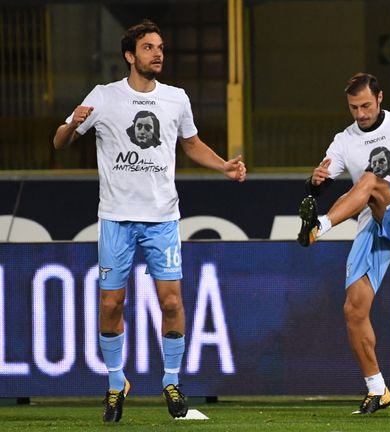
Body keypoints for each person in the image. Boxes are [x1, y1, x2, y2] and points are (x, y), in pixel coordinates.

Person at [52, 20, 247, 422]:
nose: (157, 53)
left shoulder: (176, 98)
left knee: (171, 302)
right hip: (116, 219)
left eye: (160, 47)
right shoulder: (104, 96)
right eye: (148, 47)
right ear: (130, 55)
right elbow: (60, 142)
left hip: (162, 219)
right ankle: (115, 383)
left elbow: (191, 144)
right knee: (111, 304)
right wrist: (72, 124)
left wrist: (224, 166)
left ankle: (171, 381)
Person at [296, 73, 390, 414]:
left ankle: (320, 227)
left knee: (369, 179)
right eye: (354, 107)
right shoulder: (344, 140)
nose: (360, 113)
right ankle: (377, 389)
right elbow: (320, 183)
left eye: (366, 105)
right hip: (375, 220)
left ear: (380, 98)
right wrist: (315, 181)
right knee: (354, 308)